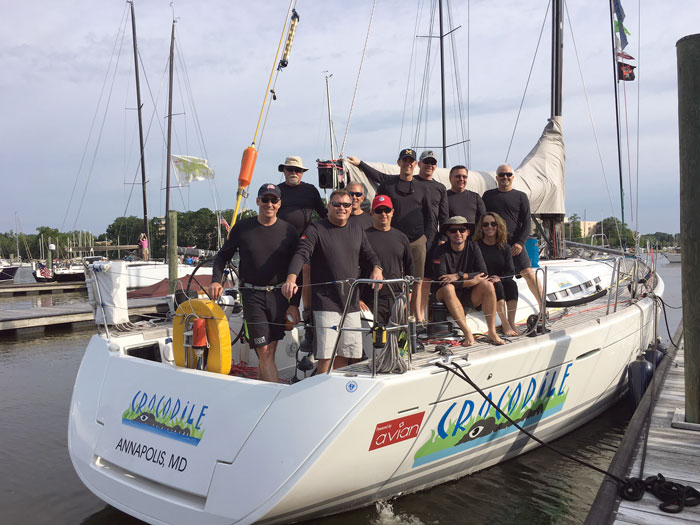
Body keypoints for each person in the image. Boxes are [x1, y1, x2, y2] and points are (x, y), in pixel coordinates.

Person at [282, 190, 383, 374]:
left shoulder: (357, 230)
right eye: (336, 204)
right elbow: (302, 253)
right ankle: (321, 396)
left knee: (346, 355)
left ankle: (337, 393)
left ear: (351, 208)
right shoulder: (316, 229)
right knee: (326, 357)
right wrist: (291, 277)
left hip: (351, 303)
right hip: (326, 303)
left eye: (346, 205)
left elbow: (371, 256)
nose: (341, 208)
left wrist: (377, 268)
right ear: (328, 207)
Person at [210, 183, 300, 383]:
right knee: (265, 351)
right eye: (265, 199)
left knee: (269, 352)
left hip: (279, 297)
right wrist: (216, 281)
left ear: (279, 204)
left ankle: (261, 392)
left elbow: (298, 268)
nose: (269, 203)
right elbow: (222, 257)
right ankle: (275, 399)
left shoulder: (289, 231)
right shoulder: (243, 228)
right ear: (258, 201)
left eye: (273, 200)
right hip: (252, 296)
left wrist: (294, 303)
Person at [346, 149, 432, 321]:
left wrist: (427, 240)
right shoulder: (388, 184)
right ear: (399, 162)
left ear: (415, 164)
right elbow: (376, 176)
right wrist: (360, 164)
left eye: (411, 161)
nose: (408, 163)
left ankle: (415, 317)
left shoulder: (423, 187)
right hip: (392, 238)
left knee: (417, 279)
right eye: (404, 160)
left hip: (416, 241)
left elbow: (430, 215)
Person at [432, 216, 505, 346]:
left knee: (488, 285)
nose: (458, 234)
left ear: (467, 232)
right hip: (444, 295)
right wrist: (471, 281)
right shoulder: (440, 251)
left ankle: (492, 333)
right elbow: (442, 280)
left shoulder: (473, 247)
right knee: (449, 288)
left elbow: (484, 273)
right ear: (448, 233)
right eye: (453, 231)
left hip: (466, 293)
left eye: (462, 229)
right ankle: (468, 334)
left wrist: (459, 275)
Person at [482, 164, 543, 312]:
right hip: (494, 244)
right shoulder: (488, 196)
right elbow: (483, 220)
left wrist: (520, 243)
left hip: (515, 244)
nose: (505, 177)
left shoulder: (521, 196)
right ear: (497, 178)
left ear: (513, 177)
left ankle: (543, 306)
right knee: (495, 278)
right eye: (502, 175)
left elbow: (527, 222)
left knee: (528, 273)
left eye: (508, 174)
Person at [276, 155, 327, 314]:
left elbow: (323, 214)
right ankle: (280, 312)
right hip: (280, 243)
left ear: (302, 173)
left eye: (297, 170)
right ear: (284, 171)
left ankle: (307, 313)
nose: (293, 172)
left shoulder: (310, 190)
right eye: (290, 169)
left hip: (305, 243)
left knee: (306, 270)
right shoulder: (276, 191)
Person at [359, 195, 414, 325]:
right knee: (375, 342)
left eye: (386, 210)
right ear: (372, 213)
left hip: (397, 298)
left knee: (398, 340)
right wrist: (357, 299)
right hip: (370, 299)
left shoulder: (401, 237)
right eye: (378, 211)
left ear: (392, 212)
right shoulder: (362, 237)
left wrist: (408, 293)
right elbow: (351, 267)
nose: (383, 214)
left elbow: (410, 267)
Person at [414, 150, 449, 329]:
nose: (429, 165)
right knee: (411, 280)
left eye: (433, 163)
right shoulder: (410, 182)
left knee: (425, 279)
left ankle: (421, 317)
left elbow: (444, 216)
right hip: (410, 238)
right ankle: (410, 316)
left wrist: (443, 238)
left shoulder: (440, 188)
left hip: (432, 239)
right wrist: (360, 165)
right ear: (419, 164)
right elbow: (382, 177)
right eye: (426, 162)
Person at [472, 212, 519, 336]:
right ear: (481, 227)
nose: (489, 227)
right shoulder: (476, 247)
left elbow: (510, 271)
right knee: (496, 285)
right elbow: (474, 269)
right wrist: (489, 279)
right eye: (485, 224)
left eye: (493, 224)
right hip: (484, 285)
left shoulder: (505, 247)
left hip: (500, 280)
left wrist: (499, 278)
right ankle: (505, 324)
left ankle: (511, 322)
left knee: (511, 284)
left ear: (498, 226)